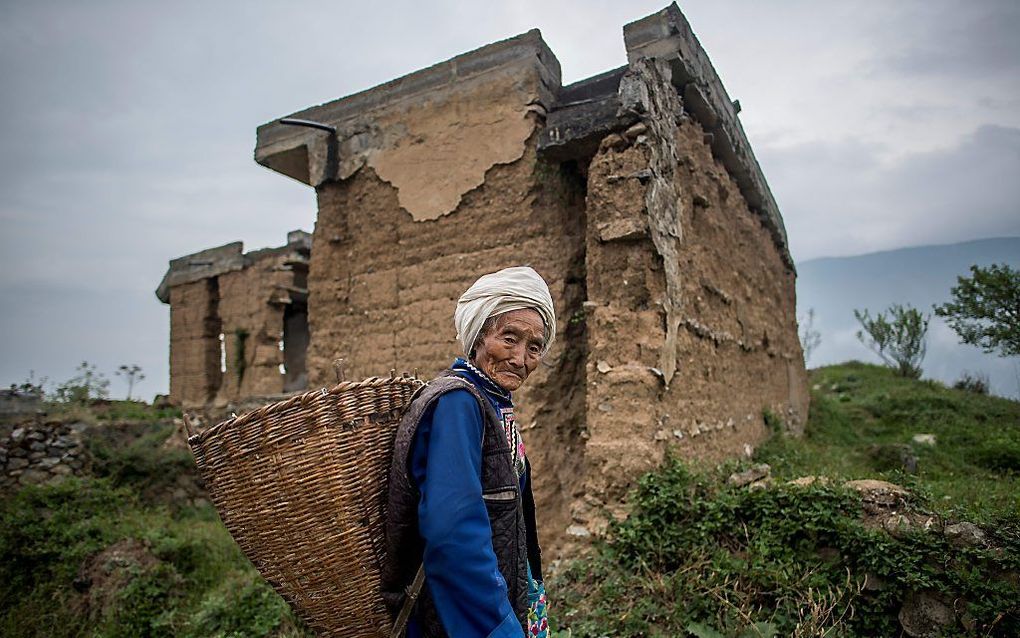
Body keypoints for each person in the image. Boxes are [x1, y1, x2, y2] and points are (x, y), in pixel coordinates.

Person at [381, 266, 554, 638]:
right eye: (509, 339)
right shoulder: (458, 403)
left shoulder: (492, 403)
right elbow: (454, 534)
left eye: (535, 347)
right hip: (463, 617)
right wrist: (498, 627)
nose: (521, 358)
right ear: (478, 337)